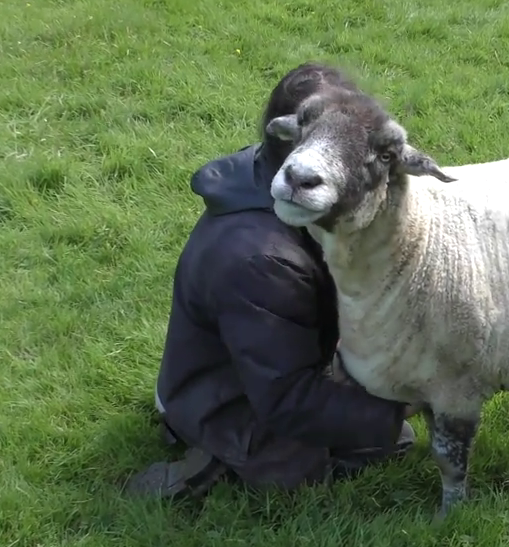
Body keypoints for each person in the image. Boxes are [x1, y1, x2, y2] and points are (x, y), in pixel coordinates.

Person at [125, 62, 418, 500]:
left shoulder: (274, 174)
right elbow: (287, 397)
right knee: (314, 466)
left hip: (255, 356)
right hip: (220, 395)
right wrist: (417, 403)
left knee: (382, 425)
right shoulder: (262, 262)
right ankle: (211, 457)